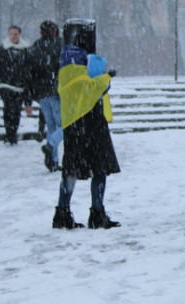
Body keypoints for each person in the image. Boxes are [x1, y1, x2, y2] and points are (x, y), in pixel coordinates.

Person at [52, 19, 121, 230]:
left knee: (71, 169)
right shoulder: (81, 62)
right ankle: (97, 213)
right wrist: (106, 77)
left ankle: (62, 212)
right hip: (91, 122)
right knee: (100, 168)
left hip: (73, 124)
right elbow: (89, 88)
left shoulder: (64, 63)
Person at [25, 20, 63, 171]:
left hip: (41, 94)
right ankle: (50, 145)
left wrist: (29, 97)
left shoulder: (34, 48)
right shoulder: (60, 45)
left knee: (52, 126)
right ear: (55, 31)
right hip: (56, 91)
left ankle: (52, 161)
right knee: (65, 125)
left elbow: (28, 74)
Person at [0, 25, 32, 145]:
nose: (13, 36)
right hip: (5, 85)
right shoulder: (2, 49)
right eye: (11, 33)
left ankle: (12, 134)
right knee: (8, 108)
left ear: (20, 34)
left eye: (15, 33)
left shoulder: (26, 50)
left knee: (16, 110)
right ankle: (9, 135)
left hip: (19, 86)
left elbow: (28, 69)